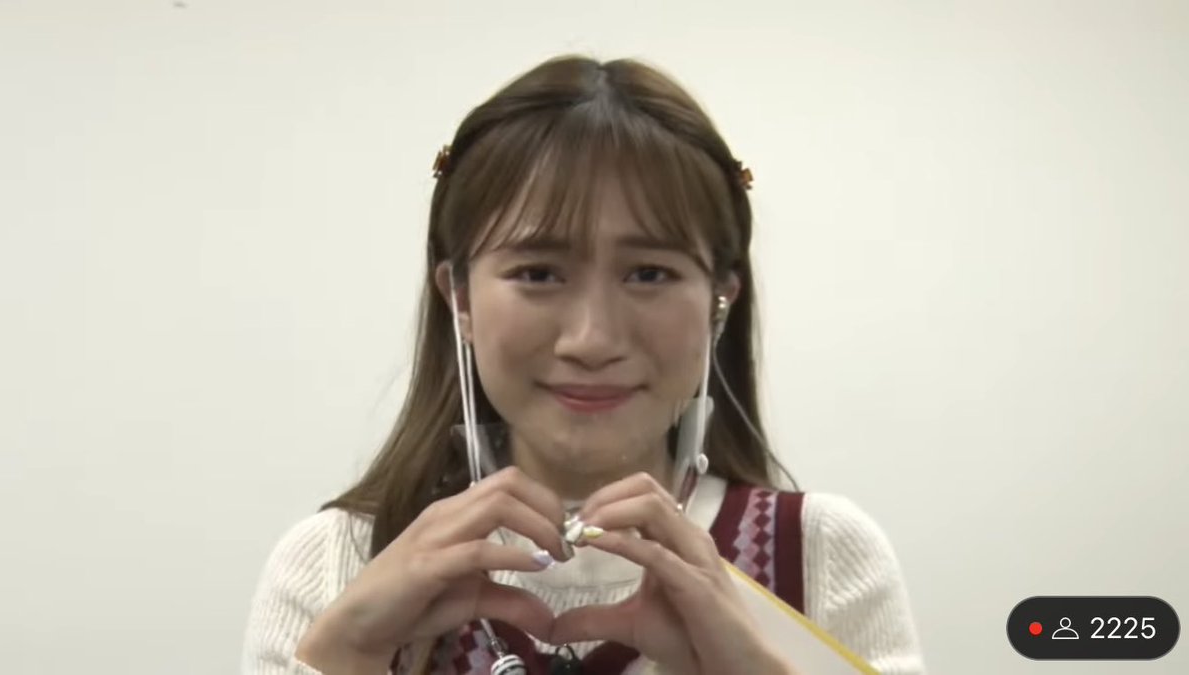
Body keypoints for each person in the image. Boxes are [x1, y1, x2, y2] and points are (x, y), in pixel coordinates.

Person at [241, 54, 926, 675]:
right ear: (460, 299)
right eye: (538, 272)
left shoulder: (819, 554)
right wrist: (343, 658)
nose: (592, 339)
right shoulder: (335, 562)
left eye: (650, 273)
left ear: (721, 299)